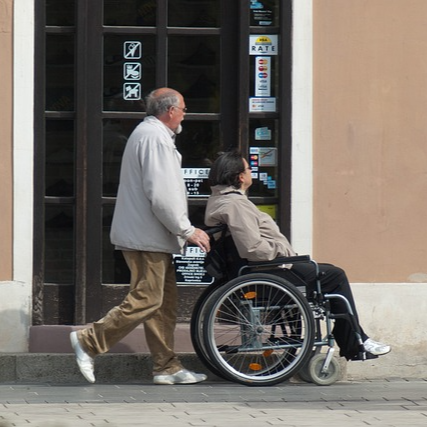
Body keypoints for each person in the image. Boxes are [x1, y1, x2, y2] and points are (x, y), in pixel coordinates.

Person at [70, 88, 211, 385]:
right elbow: (162, 194)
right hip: (147, 236)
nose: (185, 114)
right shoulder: (154, 137)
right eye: (183, 109)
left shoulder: (151, 135)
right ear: (170, 111)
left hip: (151, 235)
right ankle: (88, 341)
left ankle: (166, 367)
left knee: (163, 304)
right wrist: (186, 229)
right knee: (147, 299)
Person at [204, 150, 391, 361]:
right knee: (335, 276)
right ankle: (355, 340)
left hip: (261, 271)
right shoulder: (236, 204)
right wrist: (283, 252)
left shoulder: (221, 200)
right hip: (266, 271)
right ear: (239, 176)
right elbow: (253, 248)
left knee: (325, 270)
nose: (251, 172)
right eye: (248, 168)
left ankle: (354, 337)